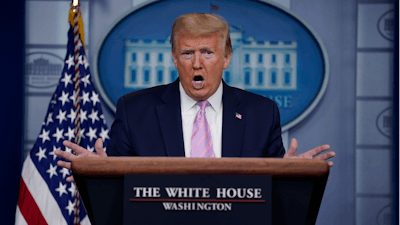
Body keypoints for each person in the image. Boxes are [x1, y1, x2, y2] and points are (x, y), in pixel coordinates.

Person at [56, 13, 335, 182]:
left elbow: (273, 187)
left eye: (208, 52)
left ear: (226, 58)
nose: (197, 64)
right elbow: (119, 183)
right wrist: (98, 172)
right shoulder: (135, 110)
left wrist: (294, 176)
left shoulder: (261, 112)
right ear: (175, 59)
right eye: (188, 53)